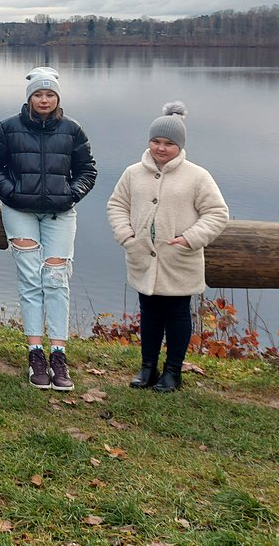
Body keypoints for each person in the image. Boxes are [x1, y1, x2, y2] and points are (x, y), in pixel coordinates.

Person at [0, 67, 97, 392]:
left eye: (49, 94)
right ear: (29, 98)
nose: (44, 99)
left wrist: (71, 193)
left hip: (61, 214)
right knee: (31, 280)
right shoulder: (7, 128)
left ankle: (58, 354)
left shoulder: (73, 129)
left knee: (56, 281)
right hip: (20, 213)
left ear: (57, 97)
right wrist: (12, 193)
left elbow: (87, 169)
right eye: (38, 94)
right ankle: (35, 353)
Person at [106, 102, 229, 393]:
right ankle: (148, 367)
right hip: (142, 258)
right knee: (148, 314)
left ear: (180, 145)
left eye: (169, 143)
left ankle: (173, 371)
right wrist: (127, 236)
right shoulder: (133, 173)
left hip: (179, 260)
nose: (161, 148)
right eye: (156, 141)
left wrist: (190, 239)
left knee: (177, 315)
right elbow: (117, 205)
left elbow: (217, 213)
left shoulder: (197, 176)